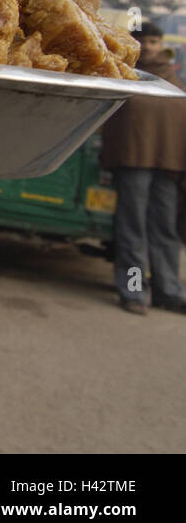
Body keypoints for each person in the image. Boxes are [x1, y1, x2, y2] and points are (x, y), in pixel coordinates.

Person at [100, 20, 186, 316]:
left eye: (153, 42)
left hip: (169, 163)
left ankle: (169, 291)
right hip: (133, 160)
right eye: (143, 42)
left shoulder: (173, 79)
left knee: (165, 230)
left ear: (161, 45)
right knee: (132, 228)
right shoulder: (126, 74)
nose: (148, 47)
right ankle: (134, 292)